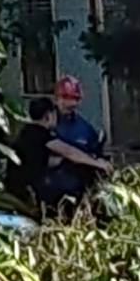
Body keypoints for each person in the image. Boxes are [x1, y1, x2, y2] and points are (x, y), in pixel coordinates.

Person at [36, 74, 109, 215]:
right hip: (48, 191)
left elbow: (96, 156)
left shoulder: (85, 129)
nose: (69, 103)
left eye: (73, 98)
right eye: (65, 98)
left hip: (78, 192)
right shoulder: (47, 124)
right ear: (56, 99)